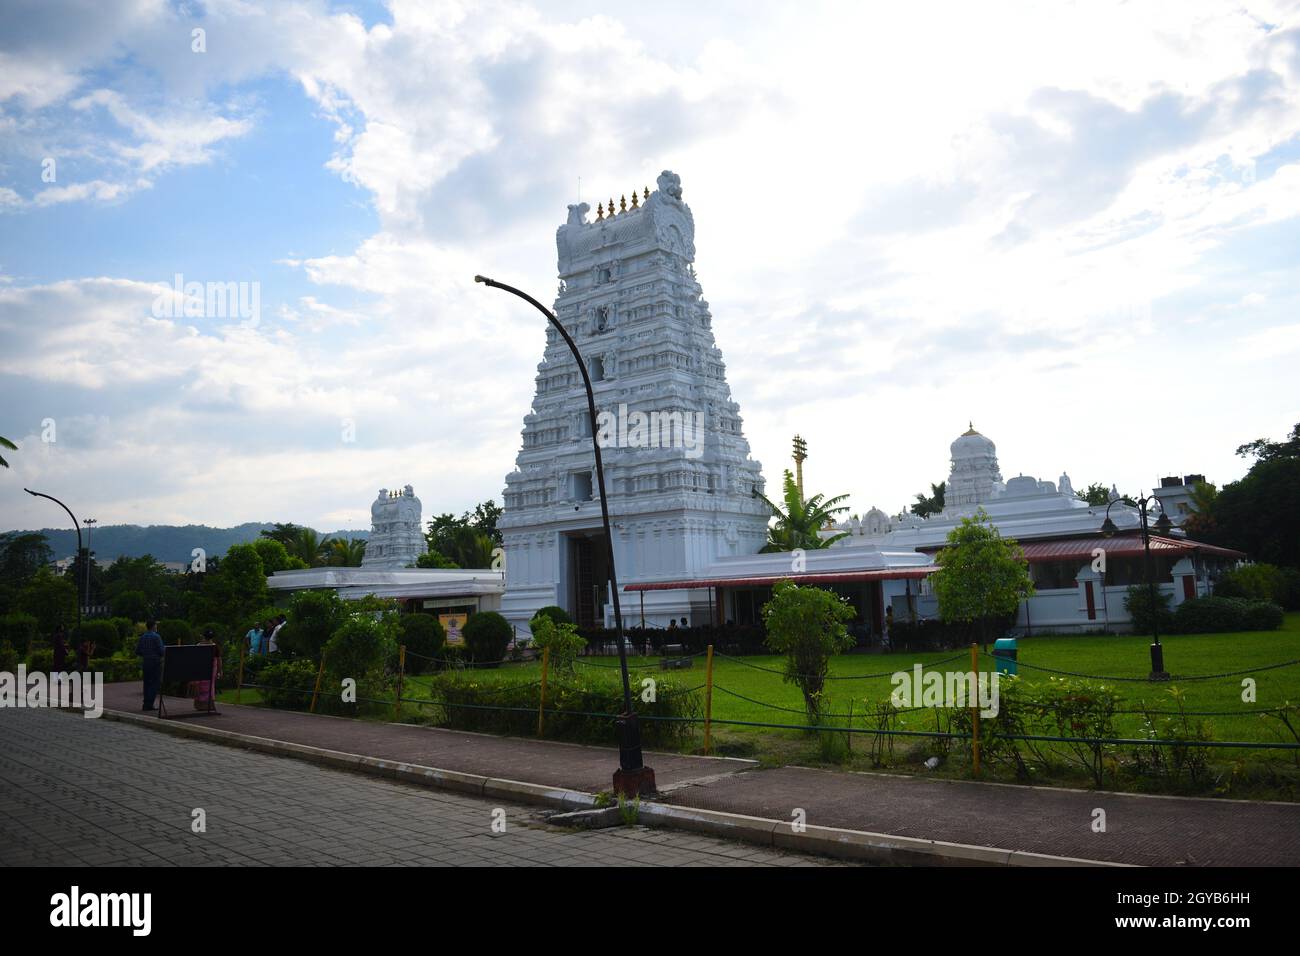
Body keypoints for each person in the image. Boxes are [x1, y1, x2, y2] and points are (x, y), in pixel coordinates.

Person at [190, 628, 222, 711]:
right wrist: (220, 670)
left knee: (200, 686)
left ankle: (199, 705)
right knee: (210, 687)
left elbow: (194, 659)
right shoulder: (215, 646)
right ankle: (208, 705)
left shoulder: (199, 645)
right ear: (212, 637)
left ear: (203, 636)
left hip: (200, 669)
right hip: (211, 671)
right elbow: (219, 660)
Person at [136, 620, 165, 711]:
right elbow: (161, 651)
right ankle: (149, 704)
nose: (157, 627)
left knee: (147, 683)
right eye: (156, 626)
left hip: (146, 662)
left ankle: (145, 703)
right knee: (155, 683)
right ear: (153, 626)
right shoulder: (157, 637)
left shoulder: (142, 637)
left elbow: (137, 651)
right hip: (155, 662)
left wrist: (146, 654)